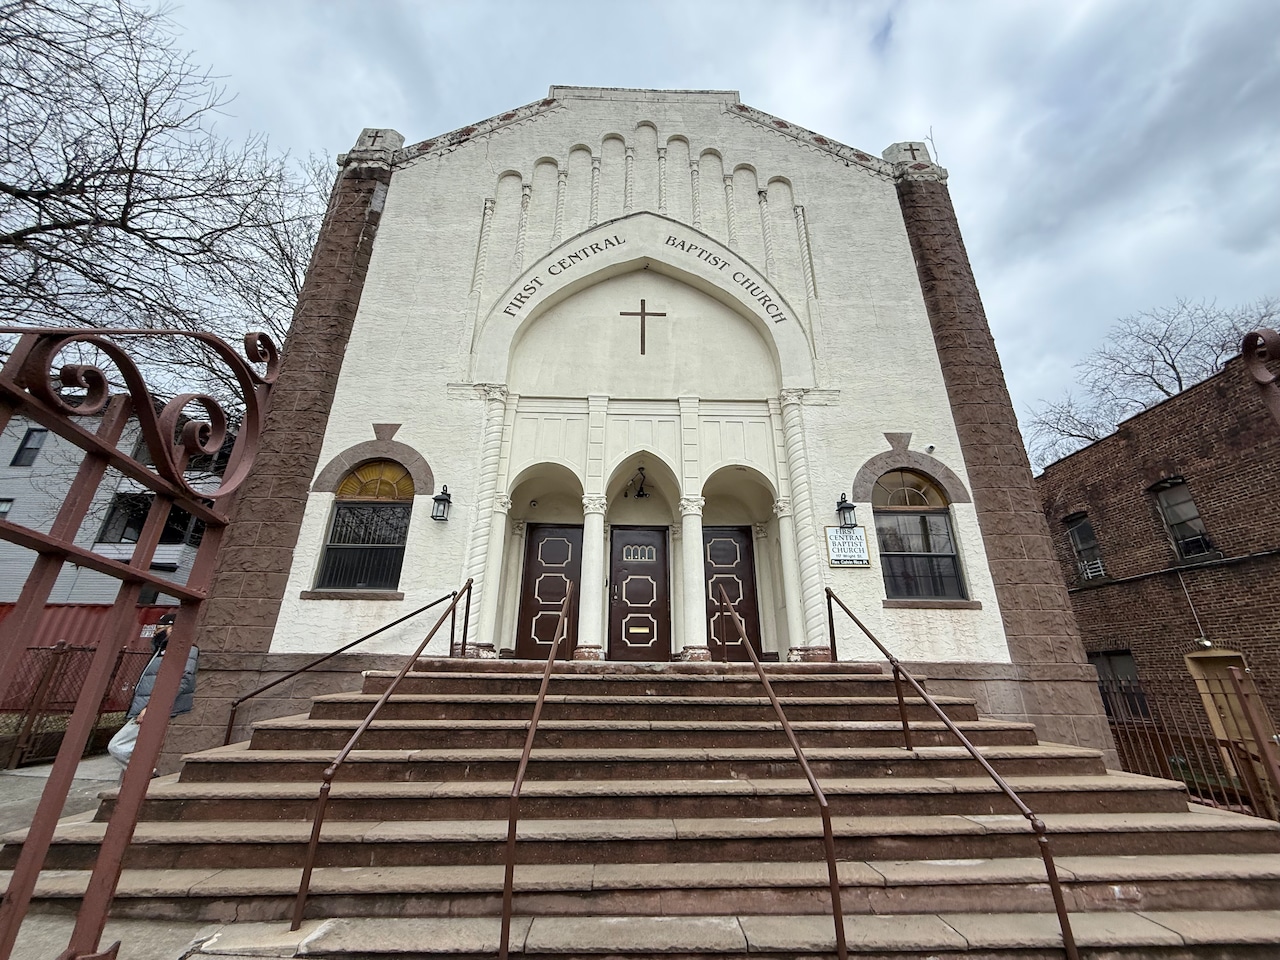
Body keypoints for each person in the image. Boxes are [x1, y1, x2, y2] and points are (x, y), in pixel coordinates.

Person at [107, 612, 199, 773]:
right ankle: (131, 785)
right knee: (135, 750)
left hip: (152, 708)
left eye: (161, 627)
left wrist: (152, 707)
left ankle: (146, 775)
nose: (157, 631)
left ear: (173, 629)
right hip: (146, 706)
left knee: (118, 746)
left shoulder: (184, 649)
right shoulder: (161, 649)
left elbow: (181, 679)